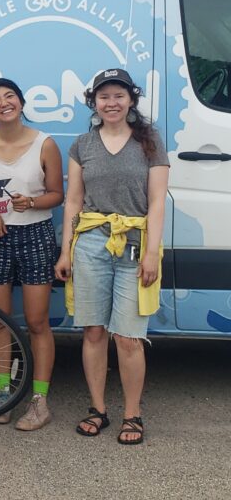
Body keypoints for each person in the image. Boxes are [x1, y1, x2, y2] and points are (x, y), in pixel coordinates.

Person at [55, 68, 169, 446]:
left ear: (131, 100)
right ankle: (98, 409)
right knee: (93, 331)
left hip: (135, 245)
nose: (112, 103)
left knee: (129, 337)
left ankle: (132, 414)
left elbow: (156, 202)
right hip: (90, 245)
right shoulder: (82, 145)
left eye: (119, 95)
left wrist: (151, 253)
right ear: (95, 102)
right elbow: (73, 200)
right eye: (104, 96)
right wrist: (65, 249)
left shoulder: (150, 143)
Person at [0, 78, 64, 431]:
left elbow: (57, 194)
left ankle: (39, 401)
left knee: (37, 322)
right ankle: (3, 395)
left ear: (21, 102)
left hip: (36, 236)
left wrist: (33, 202)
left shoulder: (45, 144)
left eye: (9, 97)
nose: (3, 103)